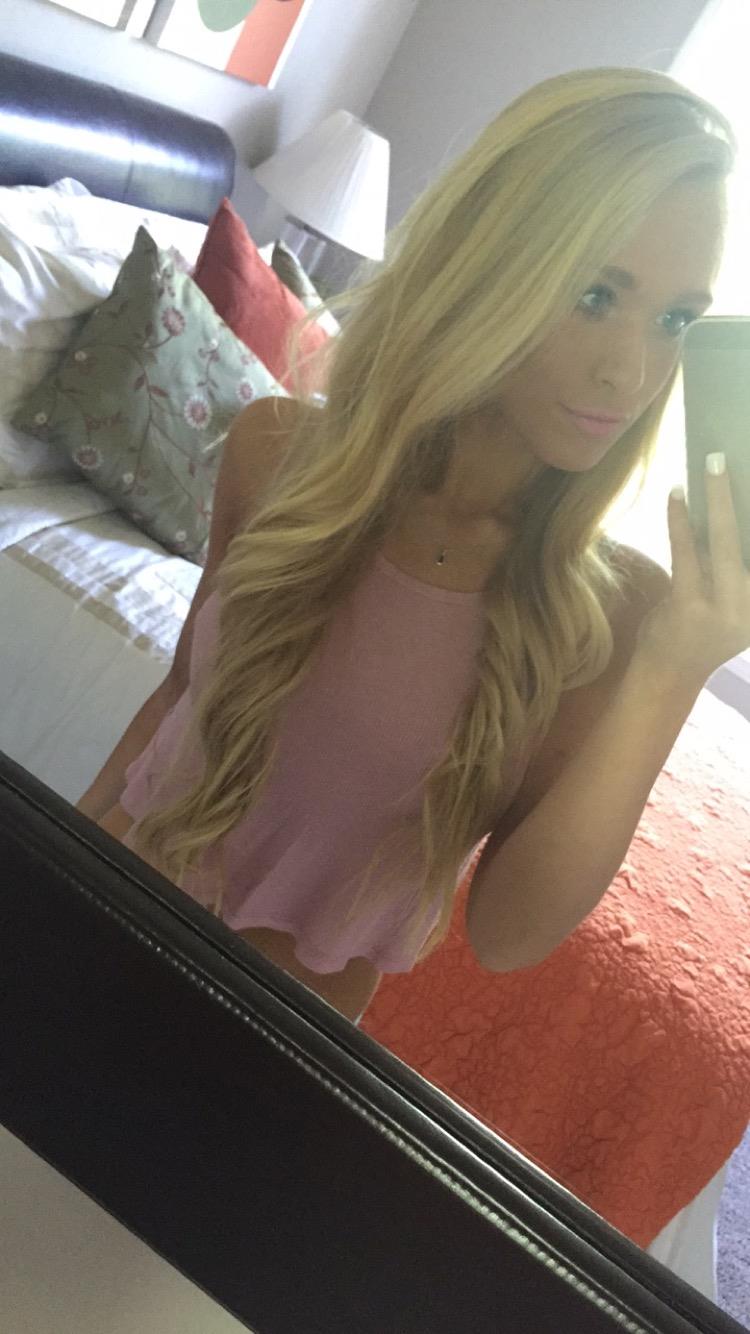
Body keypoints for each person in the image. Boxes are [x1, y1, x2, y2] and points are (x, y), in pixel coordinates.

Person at [78, 67, 750, 1025]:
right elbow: (179, 696)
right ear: (489, 263)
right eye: (597, 294)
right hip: (91, 912)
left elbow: (510, 936)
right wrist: (42, 865)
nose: (631, 373)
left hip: (268, 1047)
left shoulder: (612, 611)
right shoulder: (276, 451)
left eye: (675, 319)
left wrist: (677, 667)